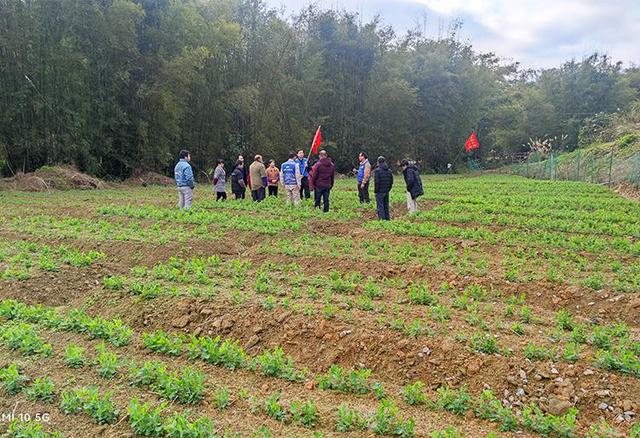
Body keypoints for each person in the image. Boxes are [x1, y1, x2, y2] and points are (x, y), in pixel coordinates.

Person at [373, 156, 393, 220]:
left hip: (380, 192)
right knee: (386, 206)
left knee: (380, 206)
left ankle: (382, 220)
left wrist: (376, 191)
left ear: (378, 162)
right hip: (386, 191)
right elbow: (391, 181)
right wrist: (388, 189)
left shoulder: (377, 171)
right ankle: (387, 219)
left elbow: (377, 182)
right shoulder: (389, 171)